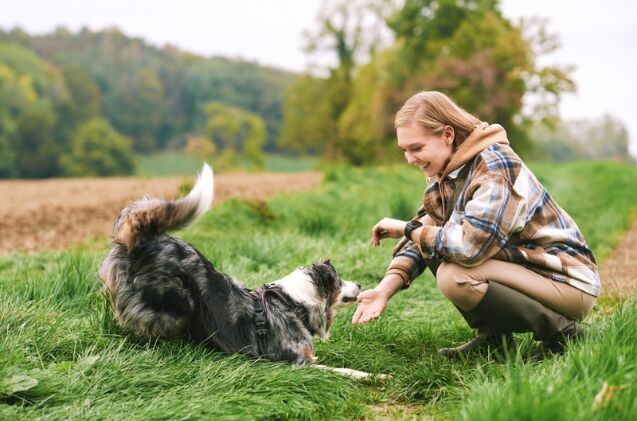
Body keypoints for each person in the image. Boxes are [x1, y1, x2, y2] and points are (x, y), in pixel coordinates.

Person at [351, 91, 600, 359]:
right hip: (528, 270)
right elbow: (424, 233)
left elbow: (469, 248)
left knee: (455, 275)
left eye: (417, 148)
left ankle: (563, 336)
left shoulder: (494, 166)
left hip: (567, 281)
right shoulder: (448, 170)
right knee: (433, 242)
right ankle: (494, 342)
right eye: (405, 150)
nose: (410, 159)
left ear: (447, 134)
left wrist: (408, 229)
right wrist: (384, 290)